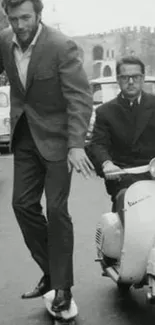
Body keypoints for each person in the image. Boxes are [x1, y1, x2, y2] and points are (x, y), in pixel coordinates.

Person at [1, 0, 94, 313]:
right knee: (21, 205)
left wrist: (76, 144)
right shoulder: (3, 41)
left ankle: (62, 287)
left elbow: (80, 98)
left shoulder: (59, 46)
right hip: (25, 137)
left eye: (26, 17)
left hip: (57, 140)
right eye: (13, 18)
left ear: (38, 14)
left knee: (56, 211)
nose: (21, 25)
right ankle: (52, 272)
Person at [88, 56, 155, 210]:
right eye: (125, 77)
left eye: (136, 77)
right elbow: (98, 144)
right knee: (125, 205)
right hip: (122, 176)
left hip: (153, 174)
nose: (131, 82)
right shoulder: (105, 112)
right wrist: (107, 163)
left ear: (143, 78)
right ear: (118, 80)